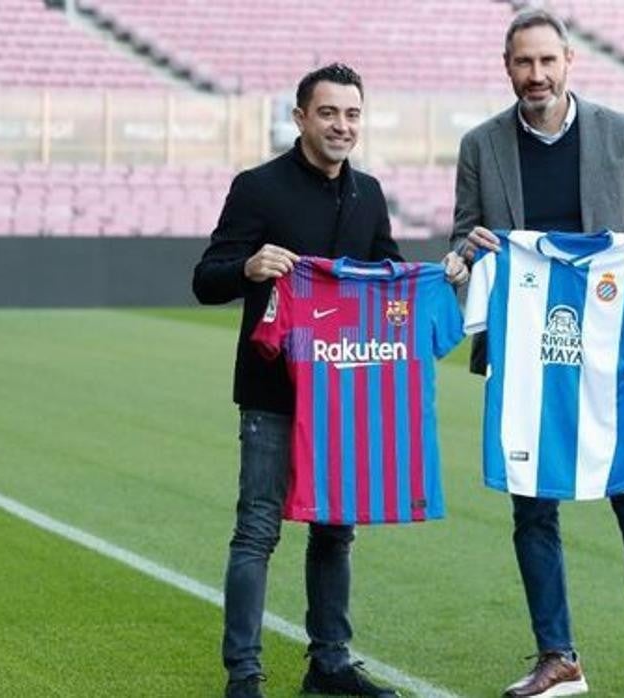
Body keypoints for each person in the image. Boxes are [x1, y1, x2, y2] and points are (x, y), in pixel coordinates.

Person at [447, 9, 624, 698]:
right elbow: (463, 238)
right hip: (526, 358)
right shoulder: (481, 145)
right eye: (523, 63)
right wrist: (466, 254)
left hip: (605, 357)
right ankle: (558, 657)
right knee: (533, 510)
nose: (536, 75)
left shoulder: (621, 134)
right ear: (508, 68)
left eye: (546, 62)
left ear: (568, 63)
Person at [193, 63, 413, 698]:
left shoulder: (368, 193)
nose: (342, 126)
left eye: (352, 115)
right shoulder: (257, 188)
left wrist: (432, 275)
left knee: (335, 530)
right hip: (271, 391)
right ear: (300, 118)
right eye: (328, 113)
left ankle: (330, 664)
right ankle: (244, 677)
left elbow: (388, 275)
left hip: (343, 395)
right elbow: (206, 279)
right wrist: (250, 266)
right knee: (258, 530)